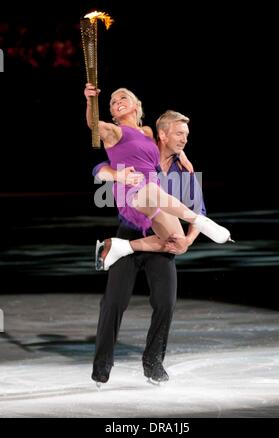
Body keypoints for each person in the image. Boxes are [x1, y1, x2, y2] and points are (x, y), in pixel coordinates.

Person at [84, 84, 230, 386]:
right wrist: (114, 173)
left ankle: (153, 364)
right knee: (114, 301)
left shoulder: (181, 168)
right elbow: (100, 163)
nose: (184, 140)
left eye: (186, 136)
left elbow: (196, 202)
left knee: (165, 302)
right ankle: (102, 369)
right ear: (163, 135)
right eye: (179, 134)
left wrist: (187, 242)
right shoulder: (131, 141)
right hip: (133, 219)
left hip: (159, 235)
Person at [85, 85, 232, 273]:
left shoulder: (146, 132)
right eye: (113, 102)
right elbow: (94, 125)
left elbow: (164, 146)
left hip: (155, 193)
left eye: (123, 98)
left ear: (136, 105)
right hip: (132, 190)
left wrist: (181, 153)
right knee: (150, 191)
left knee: (179, 243)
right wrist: (90, 102)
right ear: (112, 112)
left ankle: (120, 247)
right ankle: (201, 222)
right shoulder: (114, 132)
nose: (117, 102)